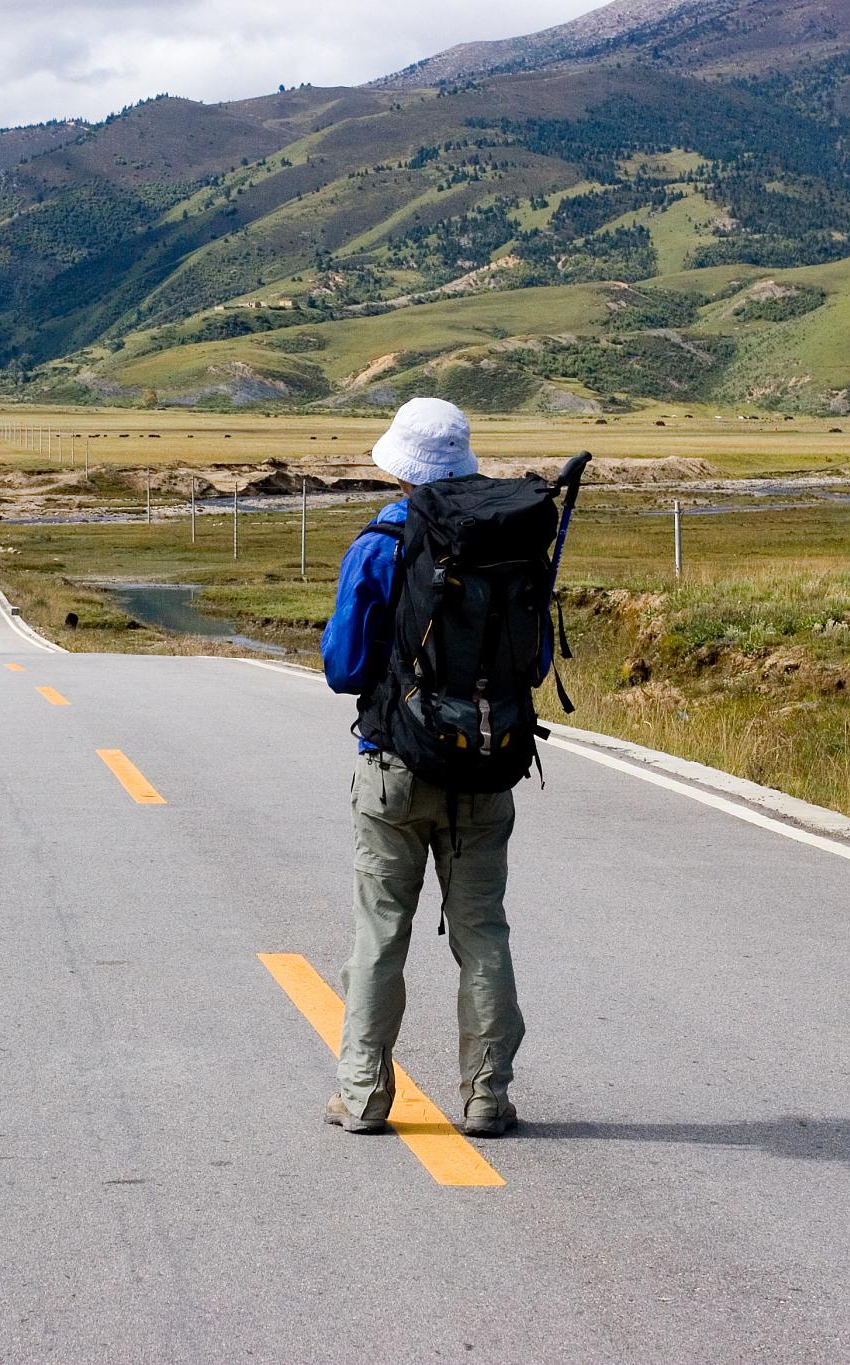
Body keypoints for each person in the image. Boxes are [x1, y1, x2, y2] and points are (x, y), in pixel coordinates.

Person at [317, 397, 525, 1140]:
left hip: (394, 769)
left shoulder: (378, 543)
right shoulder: (507, 542)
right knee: (483, 934)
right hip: (487, 767)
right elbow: (529, 662)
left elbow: (342, 668)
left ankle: (365, 1094)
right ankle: (487, 1096)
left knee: (380, 934)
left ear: (398, 467)